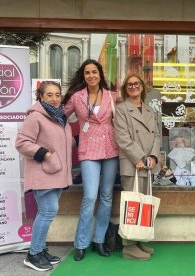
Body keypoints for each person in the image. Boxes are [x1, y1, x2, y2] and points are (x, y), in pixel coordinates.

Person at [62, 59, 119, 261]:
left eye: (95, 72)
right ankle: (81, 242)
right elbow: (60, 116)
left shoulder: (113, 96)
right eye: (87, 73)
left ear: (101, 74)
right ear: (83, 76)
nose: (91, 76)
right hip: (88, 152)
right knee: (90, 197)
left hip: (111, 150)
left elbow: (125, 119)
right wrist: (38, 110)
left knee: (106, 197)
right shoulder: (77, 97)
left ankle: (100, 240)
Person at [16, 81, 73, 271]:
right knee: (48, 211)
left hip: (57, 174)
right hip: (43, 173)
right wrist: (46, 154)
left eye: (57, 94)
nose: (55, 99)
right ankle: (32, 255)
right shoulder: (35, 117)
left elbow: (65, 142)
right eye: (50, 95)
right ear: (40, 96)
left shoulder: (59, 117)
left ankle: (40, 250)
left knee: (47, 212)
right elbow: (22, 143)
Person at [114, 73, 160, 261]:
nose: (133, 86)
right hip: (133, 163)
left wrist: (154, 156)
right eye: (130, 84)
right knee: (132, 205)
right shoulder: (121, 109)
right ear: (126, 88)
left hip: (148, 164)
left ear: (142, 87)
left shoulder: (150, 110)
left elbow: (156, 135)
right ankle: (129, 246)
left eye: (137, 83)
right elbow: (122, 137)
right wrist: (139, 157)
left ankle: (139, 239)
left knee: (143, 204)